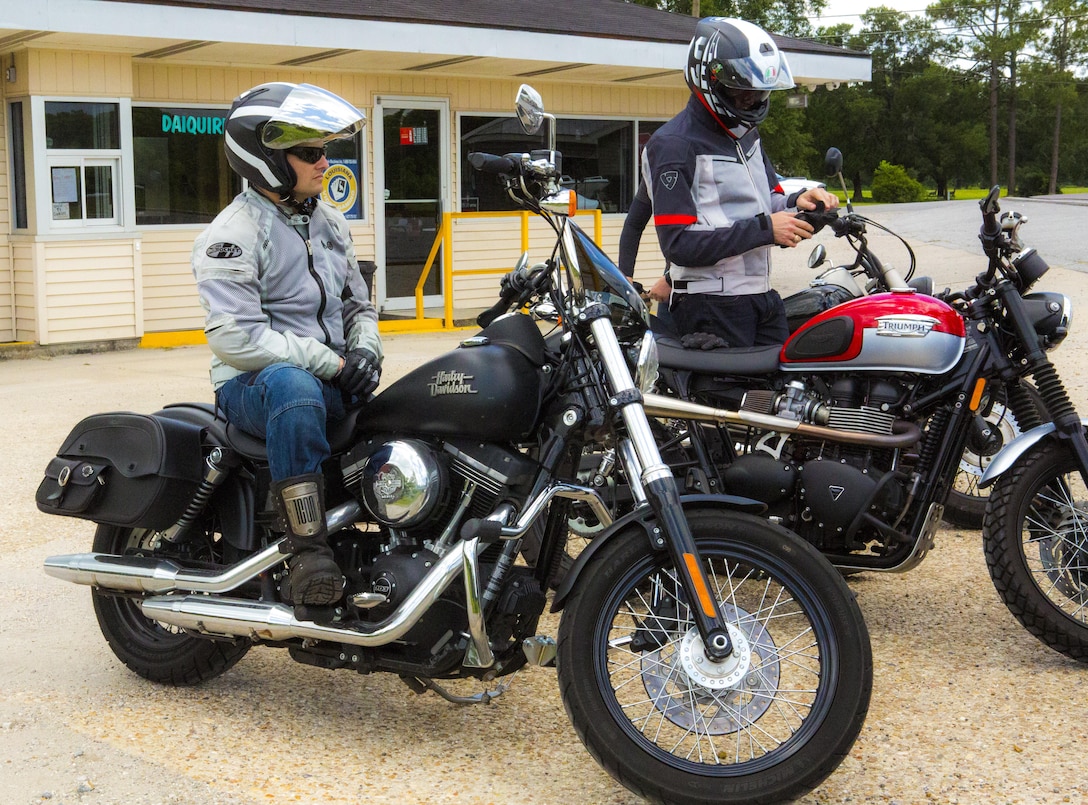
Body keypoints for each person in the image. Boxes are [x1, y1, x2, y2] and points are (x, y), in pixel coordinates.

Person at [191, 82, 382, 607]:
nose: (325, 162)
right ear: (267, 159)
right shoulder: (233, 233)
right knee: (297, 389)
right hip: (256, 387)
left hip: (331, 374)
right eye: (310, 153)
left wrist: (365, 352)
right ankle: (307, 554)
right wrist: (332, 362)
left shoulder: (329, 223)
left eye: (325, 150)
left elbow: (357, 305)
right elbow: (237, 337)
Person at [638, 17, 839, 349]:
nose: (752, 99)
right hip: (709, 301)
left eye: (759, 90)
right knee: (733, 401)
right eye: (741, 89)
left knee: (782, 391)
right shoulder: (674, 145)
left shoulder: (746, 134)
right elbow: (678, 245)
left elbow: (768, 201)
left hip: (758, 294)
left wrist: (802, 201)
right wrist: (764, 229)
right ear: (707, 79)